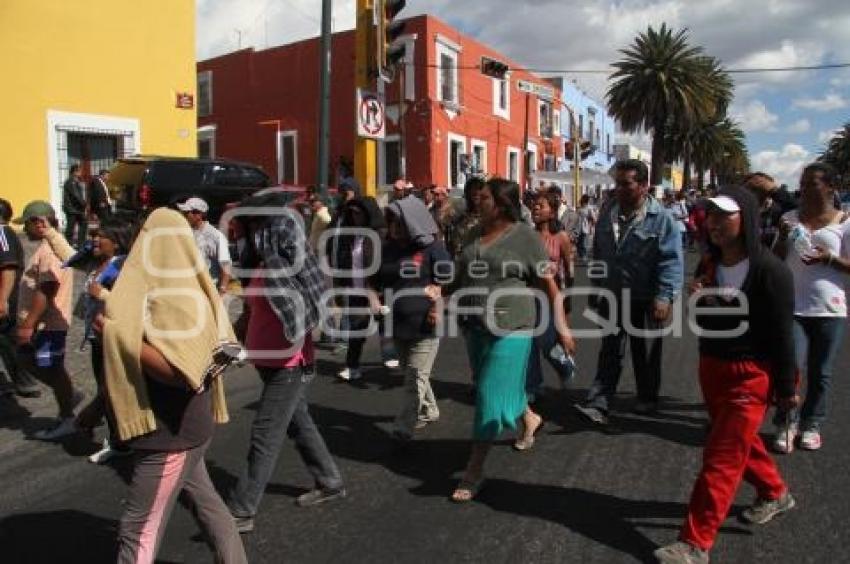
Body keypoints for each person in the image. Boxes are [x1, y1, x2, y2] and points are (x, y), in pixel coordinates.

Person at [654, 187, 798, 564]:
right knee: (738, 443)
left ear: (746, 219)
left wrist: (787, 387)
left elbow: (784, 334)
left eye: (724, 215)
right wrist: (698, 296)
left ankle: (695, 542)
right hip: (712, 368)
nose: (714, 223)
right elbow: (705, 319)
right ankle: (775, 492)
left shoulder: (771, 271)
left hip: (750, 376)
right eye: (711, 215)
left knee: (720, 457)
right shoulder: (709, 265)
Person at [101, 208, 246, 564]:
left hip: (171, 432)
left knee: (138, 529)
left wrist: (117, 334)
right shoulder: (171, 286)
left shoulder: (179, 297)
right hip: (182, 429)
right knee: (207, 504)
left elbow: (182, 374)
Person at [447, 178, 575, 502]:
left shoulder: (525, 237)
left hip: (513, 328)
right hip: (474, 326)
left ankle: (474, 470)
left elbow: (549, 284)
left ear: (502, 204)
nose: (478, 201)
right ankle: (529, 417)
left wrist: (563, 327)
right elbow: (458, 276)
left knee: (488, 394)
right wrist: (439, 291)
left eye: (485, 198)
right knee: (498, 387)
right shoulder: (474, 234)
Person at [228, 192, 345, 533]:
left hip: (289, 360)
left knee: (266, 430)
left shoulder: (283, 266)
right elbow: (253, 310)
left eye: (240, 222)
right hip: (265, 357)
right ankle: (330, 481)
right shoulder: (256, 265)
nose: (234, 229)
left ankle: (242, 508)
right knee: (298, 421)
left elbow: (312, 296)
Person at [575, 159, 684, 424]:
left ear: (644, 186)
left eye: (627, 184)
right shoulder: (607, 212)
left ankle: (646, 398)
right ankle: (599, 402)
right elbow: (599, 254)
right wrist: (596, 288)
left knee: (645, 353)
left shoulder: (662, 219)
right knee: (610, 350)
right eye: (617, 184)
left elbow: (671, 261)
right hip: (612, 296)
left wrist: (665, 296)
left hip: (646, 298)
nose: (619, 189)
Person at [770, 162, 850, 452]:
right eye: (802, 184)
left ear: (829, 186)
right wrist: (781, 237)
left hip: (829, 308)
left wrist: (828, 258)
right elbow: (775, 260)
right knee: (790, 368)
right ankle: (786, 422)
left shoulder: (844, 222)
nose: (804, 189)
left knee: (821, 372)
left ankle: (811, 424)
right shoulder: (790, 218)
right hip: (792, 306)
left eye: (812, 183)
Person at [45, 219, 137, 463]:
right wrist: (50, 232)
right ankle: (118, 436)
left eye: (101, 236)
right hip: (98, 339)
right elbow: (70, 255)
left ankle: (115, 437)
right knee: (106, 390)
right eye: (94, 235)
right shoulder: (97, 264)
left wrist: (105, 294)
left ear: (116, 243)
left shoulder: (123, 266)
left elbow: (131, 303)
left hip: (113, 339)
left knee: (111, 391)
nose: (94, 239)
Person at [377, 196, 450, 441]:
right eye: (391, 223)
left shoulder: (432, 248)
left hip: (425, 326)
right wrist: (373, 300)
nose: (394, 228)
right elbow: (375, 281)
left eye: (399, 223)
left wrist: (437, 306)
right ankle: (430, 409)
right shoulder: (388, 249)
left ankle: (403, 427)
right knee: (414, 372)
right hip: (396, 324)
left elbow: (447, 281)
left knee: (414, 378)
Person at [13, 201, 82, 439]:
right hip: (43, 325)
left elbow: (48, 288)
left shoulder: (50, 251)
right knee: (29, 361)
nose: (25, 231)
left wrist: (28, 324)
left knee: (51, 369)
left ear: (39, 222)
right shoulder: (46, 247)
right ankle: (68, 395)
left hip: (48, 326)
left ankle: (67, 416)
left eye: (27, 225)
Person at [523, 190, 574, 421]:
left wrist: (567, 303)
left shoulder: (561, 237)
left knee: (547, 342)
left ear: (552, 211)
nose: (535, 208)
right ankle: (534, 386)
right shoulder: (526, 236)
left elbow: (569, 270)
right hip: (529, 295)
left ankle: (564, 367)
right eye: (534, 205)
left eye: (541, 205)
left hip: (552, 296)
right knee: (529, 343)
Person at [332, 197, 386, 380]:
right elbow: (341, 262)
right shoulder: (348, 236)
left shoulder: (380, 235)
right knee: (356, 328)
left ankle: (394, 356)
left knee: (387, 325)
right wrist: (338, 287)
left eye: (358, 214)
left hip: (378, 291)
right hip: (356, 290)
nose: (355, 217)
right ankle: (352, 366)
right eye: (352, 214)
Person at [0, 198, 41, 398]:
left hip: (7, 296)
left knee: (9, 339)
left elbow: (8, 267)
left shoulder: (2, 234)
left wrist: (2, 299)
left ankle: (26, 381)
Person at [178, 197, 232, 295]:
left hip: (208, 291)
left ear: (199, 214)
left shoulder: (216, 236)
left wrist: (222, 290)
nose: (184, 215)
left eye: (187, 212)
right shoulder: (186, 232)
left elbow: (226, 266)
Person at [744, 172, 785, 248]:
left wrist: (774, 189)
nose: (749, 193)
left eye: (754, 189)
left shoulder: (780, 211)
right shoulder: (742, 213)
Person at [62, 164, 88, 248]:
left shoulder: (76, 181)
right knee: (71, 227)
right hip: (72, 209)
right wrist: (84, 204)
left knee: (83, 223)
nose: (80, 173)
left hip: (77, 209)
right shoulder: (71, 182)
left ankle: (81, 242)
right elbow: (75, 195)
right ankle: (68, 243)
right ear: (74, 172)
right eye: (79, 171)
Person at [576, 194, 596, 261]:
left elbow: (593, 219)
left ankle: (584, 256)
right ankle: (580, 255)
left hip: (585, 228)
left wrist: (591, 226)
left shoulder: (589, 208)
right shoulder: (579, 208)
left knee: (584, 242)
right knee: (578, 242)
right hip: (577, 228)